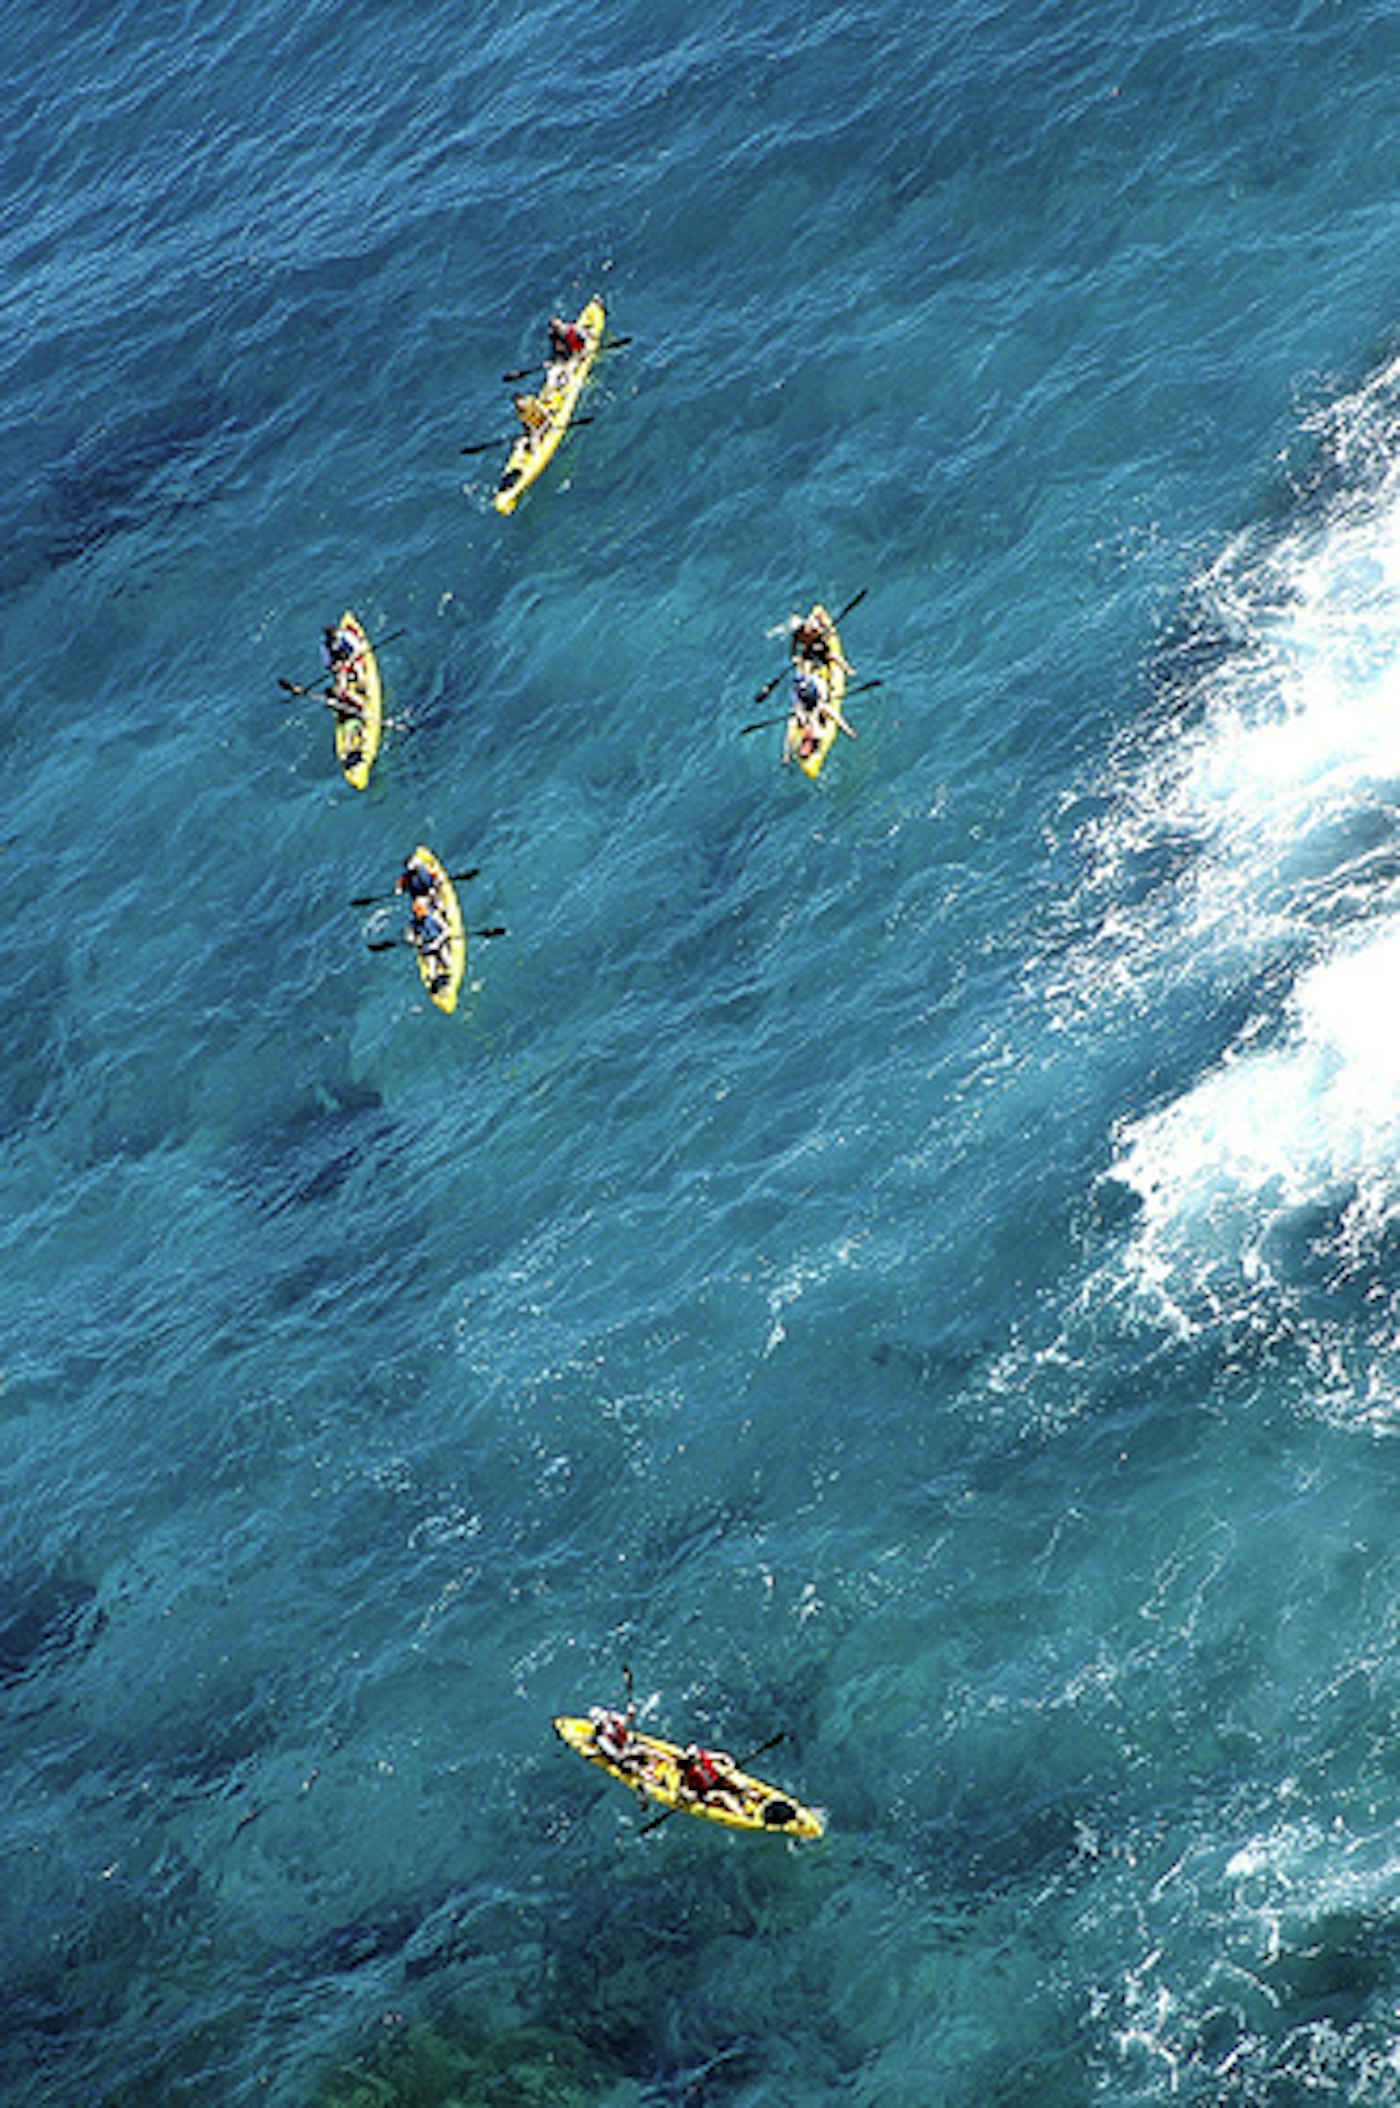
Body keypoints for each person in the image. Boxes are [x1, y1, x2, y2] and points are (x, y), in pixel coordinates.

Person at [677, 1743, 745, 1813]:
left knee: (736, 1783)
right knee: (722, 1794)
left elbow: (724, 1756)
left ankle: (748, 1794)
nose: (695, 1758)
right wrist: (689, 1795)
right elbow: (683, 1787)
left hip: (716, 1783)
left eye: (695, 1755)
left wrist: (731, 1765)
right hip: (704, 1792)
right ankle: (740, 1813)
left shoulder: (706, 1755)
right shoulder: (687, 1770)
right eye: (692, 1757)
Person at [589, 1703, 644, 1775]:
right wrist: (630, 1752)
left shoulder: (613, 1719)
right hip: (621, 1756)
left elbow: (626, 1720)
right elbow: (616, 1754)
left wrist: (630, 1713)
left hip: (626, 1745)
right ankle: (654, 1780)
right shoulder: (601, 1738)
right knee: (634, 1766)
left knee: (643, 1749)